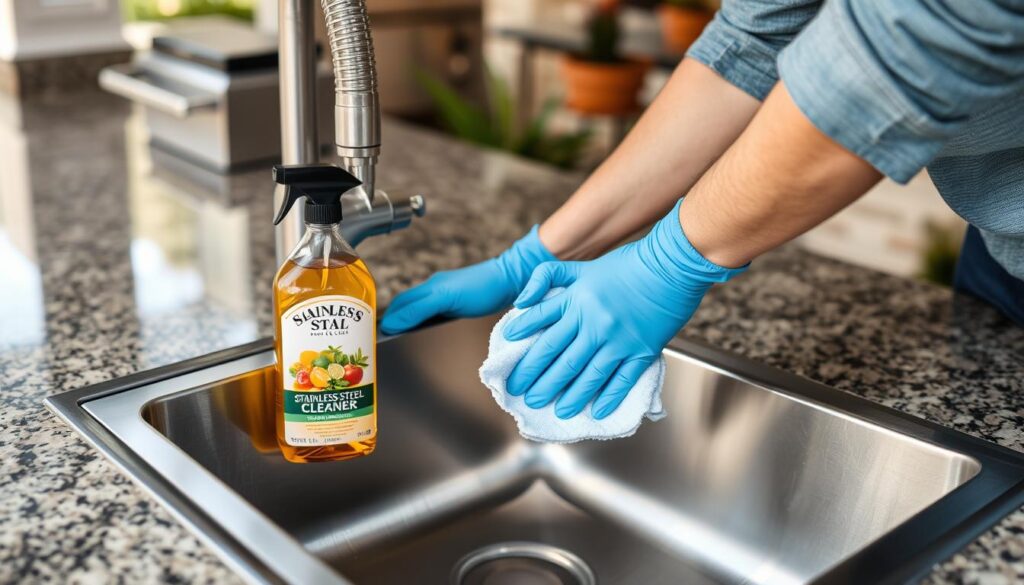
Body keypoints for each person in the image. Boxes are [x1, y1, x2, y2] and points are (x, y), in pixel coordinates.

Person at [381, 0, 1024, 420]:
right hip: (1001, 253)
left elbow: (904, 58)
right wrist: (538, 256)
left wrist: (668, 262)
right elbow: (756, 41)